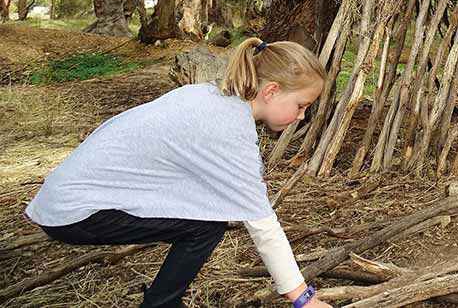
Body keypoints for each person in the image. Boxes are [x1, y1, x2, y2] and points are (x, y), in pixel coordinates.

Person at [25, 38, 332, 308]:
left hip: (60, 198)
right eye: (301, 105)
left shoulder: (208, 95)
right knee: (206, 227)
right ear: (272, 91)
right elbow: (263, 225)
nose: (301, 116)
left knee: (208, 213)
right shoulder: (230, 129)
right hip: (75, 213)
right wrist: (302, 298)